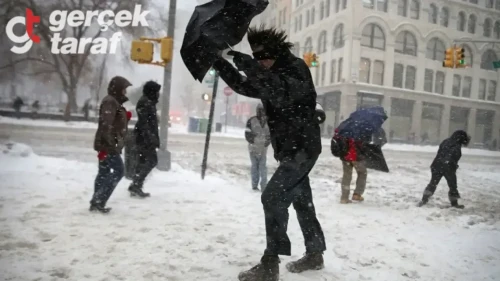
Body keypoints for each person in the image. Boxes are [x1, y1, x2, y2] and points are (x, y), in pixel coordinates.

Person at [212, 25, 326, 281]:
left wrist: (247, 64)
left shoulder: (295, 69)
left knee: (272, 198)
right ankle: (315, 253)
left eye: (262, 58)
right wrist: (219, 64)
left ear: (274, 53)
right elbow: (244, 86)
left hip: (303, 149)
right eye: (257, 59)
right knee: (302, 202)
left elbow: (280, 92)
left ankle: (270, 263)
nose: (260, 63)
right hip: (290, 150)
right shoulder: (269, 72)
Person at [90, 76, 132, 213]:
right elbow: (106, 124)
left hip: (106, 144)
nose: (125, 92)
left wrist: (125, 117)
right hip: (108, 145)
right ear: (118, 89)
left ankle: (96, 202)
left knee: (104, 172)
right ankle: (98, 200)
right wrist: (110, 145)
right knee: (119, 171)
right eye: (124, 89)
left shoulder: (114, 102)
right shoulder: (110, 102)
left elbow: (113, 121)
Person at [418, 130, 470, 208]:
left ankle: (424, 199)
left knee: (433, 183)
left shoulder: (446, 141)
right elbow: (452, 156)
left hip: (436, 165)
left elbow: (440, 153)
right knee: (452, 186)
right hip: (448, 167)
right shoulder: (456, 145)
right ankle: (454, 203)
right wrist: (452, 165)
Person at [336, 127, 386, 204]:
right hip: (356, 157)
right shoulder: (363, 129)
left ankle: (344, 198)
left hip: (345, 156)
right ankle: (357, 194)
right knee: (362, 173)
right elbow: (365, 144)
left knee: (346, 176)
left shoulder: (346, 127)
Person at [128, 81, 161, 198]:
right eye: (157, 92)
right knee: (152, 161)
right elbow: (144, 123)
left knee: (142, 161)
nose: (158, 94)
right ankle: (136, 184)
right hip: (144, 138)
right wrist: (151, 138)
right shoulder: (145, 103)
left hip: (145, 137)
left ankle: (136, 185)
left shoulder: (148, 102)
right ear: (152, 92)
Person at [245, 104, 271, 192]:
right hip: (253, 148)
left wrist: (267, 142)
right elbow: (247, 133)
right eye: (260, 111)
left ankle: (264, 186)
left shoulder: (269, 122)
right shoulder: (251, 121)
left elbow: (270, 134)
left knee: (263, 167)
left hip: (263, 149)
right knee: (254, 167)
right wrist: (253, 141)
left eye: (263, 110)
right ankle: (254, 185)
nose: (262, 113)